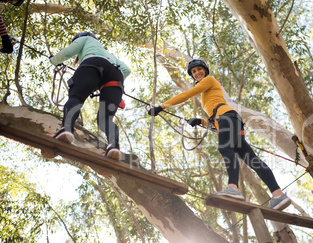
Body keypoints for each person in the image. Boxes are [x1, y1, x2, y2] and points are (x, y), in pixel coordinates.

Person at [148, 59, 291, 210]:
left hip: (227, 118)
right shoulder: (208, 94)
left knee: (225, 148)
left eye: (198, 69)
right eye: (193, 72)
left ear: (205, 69)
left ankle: (233, 188)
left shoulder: (209, 80)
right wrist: (200, 122)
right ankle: (278, 195)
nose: (197, 73)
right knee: (252, 160)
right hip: (230, 121)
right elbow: (215, 119)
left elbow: (188, 94)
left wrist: (161, 107)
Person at [49, 32, 131, 160]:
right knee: (105, 119)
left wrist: (53, 60)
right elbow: (126, 70)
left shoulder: (85, 39)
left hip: (92, 63)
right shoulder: (108, 54)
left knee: (76, 98)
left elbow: (68, 52)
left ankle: (67, 129)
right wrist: (103, 83)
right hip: (115, 74)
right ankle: (113, 146)